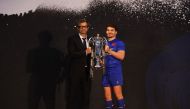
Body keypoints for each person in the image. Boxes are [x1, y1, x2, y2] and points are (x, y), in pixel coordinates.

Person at [26, 30, 64, 109]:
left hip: (37, 81)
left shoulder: (32, 53)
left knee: (34, 104)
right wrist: (60, 77)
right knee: (49, 104)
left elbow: (29, 69)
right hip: (49, 82)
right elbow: (63, 66)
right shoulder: (56, 53)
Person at [67, 19, 92, 109]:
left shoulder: (91, 40)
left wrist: (98, 59)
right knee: (73, 96)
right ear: (78, 28)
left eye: (84, 26)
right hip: (75, 72)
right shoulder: (72, 39)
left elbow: (93, 56)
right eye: (80, 27)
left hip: (87, 73)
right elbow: (72, 53)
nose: (82, 28)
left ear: (87, 28)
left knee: (86, 97)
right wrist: (85, 52)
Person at [103, 24, 126, 109]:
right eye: (108, 30)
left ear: (116, 32)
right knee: (107, 96)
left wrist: (109, 50)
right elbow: (104, 57)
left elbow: (121, 56)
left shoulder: (119, 43)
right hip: (105, 71)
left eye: (112, 30)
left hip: (115, 71)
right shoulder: (104, 43)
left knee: (118, 95)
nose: (109, 32)